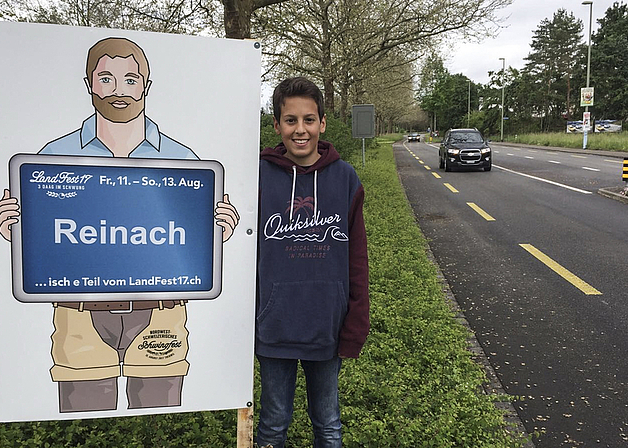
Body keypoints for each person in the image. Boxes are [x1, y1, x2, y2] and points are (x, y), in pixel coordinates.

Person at [0, 37, 239, 413]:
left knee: (162, 416)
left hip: (162, 310)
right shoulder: (50, 158)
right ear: (88, 84)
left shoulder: (184, 160)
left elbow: (190, 242)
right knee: (84, 415)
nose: (119, 91)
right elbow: (40, 241)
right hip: (79, 312)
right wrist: (14, 231)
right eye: (106, 78)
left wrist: (218, 232)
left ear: (146, 85)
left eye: (131, 79)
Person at [256, 77, 370, 448]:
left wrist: (355, 323)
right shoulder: (255, 177)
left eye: (308, 120)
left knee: (329, 425)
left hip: (327, 327)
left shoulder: (345, 178)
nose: (300, 130)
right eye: (290, 120)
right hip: (273, 327)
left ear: (322, 123)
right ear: (276, 125)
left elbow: (357, 260)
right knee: (273, 426)